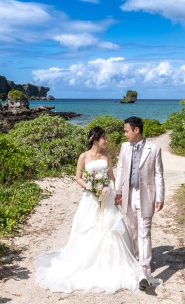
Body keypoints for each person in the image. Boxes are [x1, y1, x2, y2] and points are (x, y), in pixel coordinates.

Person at [35, 126, 144, 293]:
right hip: (90, 198)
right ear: (95, 140)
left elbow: (110, 176)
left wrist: (115, 193)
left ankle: (111, 263)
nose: (106, 141)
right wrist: (90, 188)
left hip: (106, 196)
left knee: (110, 227)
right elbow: (78, 177)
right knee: (88, 226)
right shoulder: (83, 157)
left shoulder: (107, 155)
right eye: (104, 138)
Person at [115, 116, 165, 290]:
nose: (125, 134)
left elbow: (158, 174)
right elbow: (120, 169)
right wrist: (118, 192)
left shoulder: (154, 149)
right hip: (128, 194)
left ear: (137, 130)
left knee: (145, 232)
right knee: (133, 230)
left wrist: (160, 197)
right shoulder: (124, 147)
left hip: (145, 195)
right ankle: (136, 262)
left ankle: (144, 271)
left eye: (126, 131)